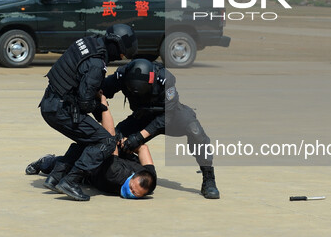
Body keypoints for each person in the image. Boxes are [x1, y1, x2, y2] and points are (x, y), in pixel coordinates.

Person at [39, 24, 137, 201]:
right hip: (62, 109)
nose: (120, 58)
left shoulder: (89, 42)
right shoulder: (96, 64)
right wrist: (101, 107)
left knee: (90, 139)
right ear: (116, 46)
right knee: (106, 142)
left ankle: (55, 178)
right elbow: (85, 103)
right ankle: (71, 181)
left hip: (51, 104)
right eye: (121, 54)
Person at [102, 58, 220, 199]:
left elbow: (166, 117)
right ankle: (105, 169)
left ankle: (208, 178)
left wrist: (139, 137)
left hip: (170, 116)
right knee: (115, 136)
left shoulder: (165, 79)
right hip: (143, 115)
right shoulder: (124, 74)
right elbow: (103, 90)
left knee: (195, 130)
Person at [27, 94, 157, 199]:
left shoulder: (149, 179)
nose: (130, 192)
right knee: (58, 164)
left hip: (90, 174)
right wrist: (125, 141)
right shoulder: (116, 173)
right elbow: (111, 138)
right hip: (94, 159)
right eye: (131, 188)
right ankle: (43, 162)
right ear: (133, 177)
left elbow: (142, 149)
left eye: (135, 194)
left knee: (70, 167)